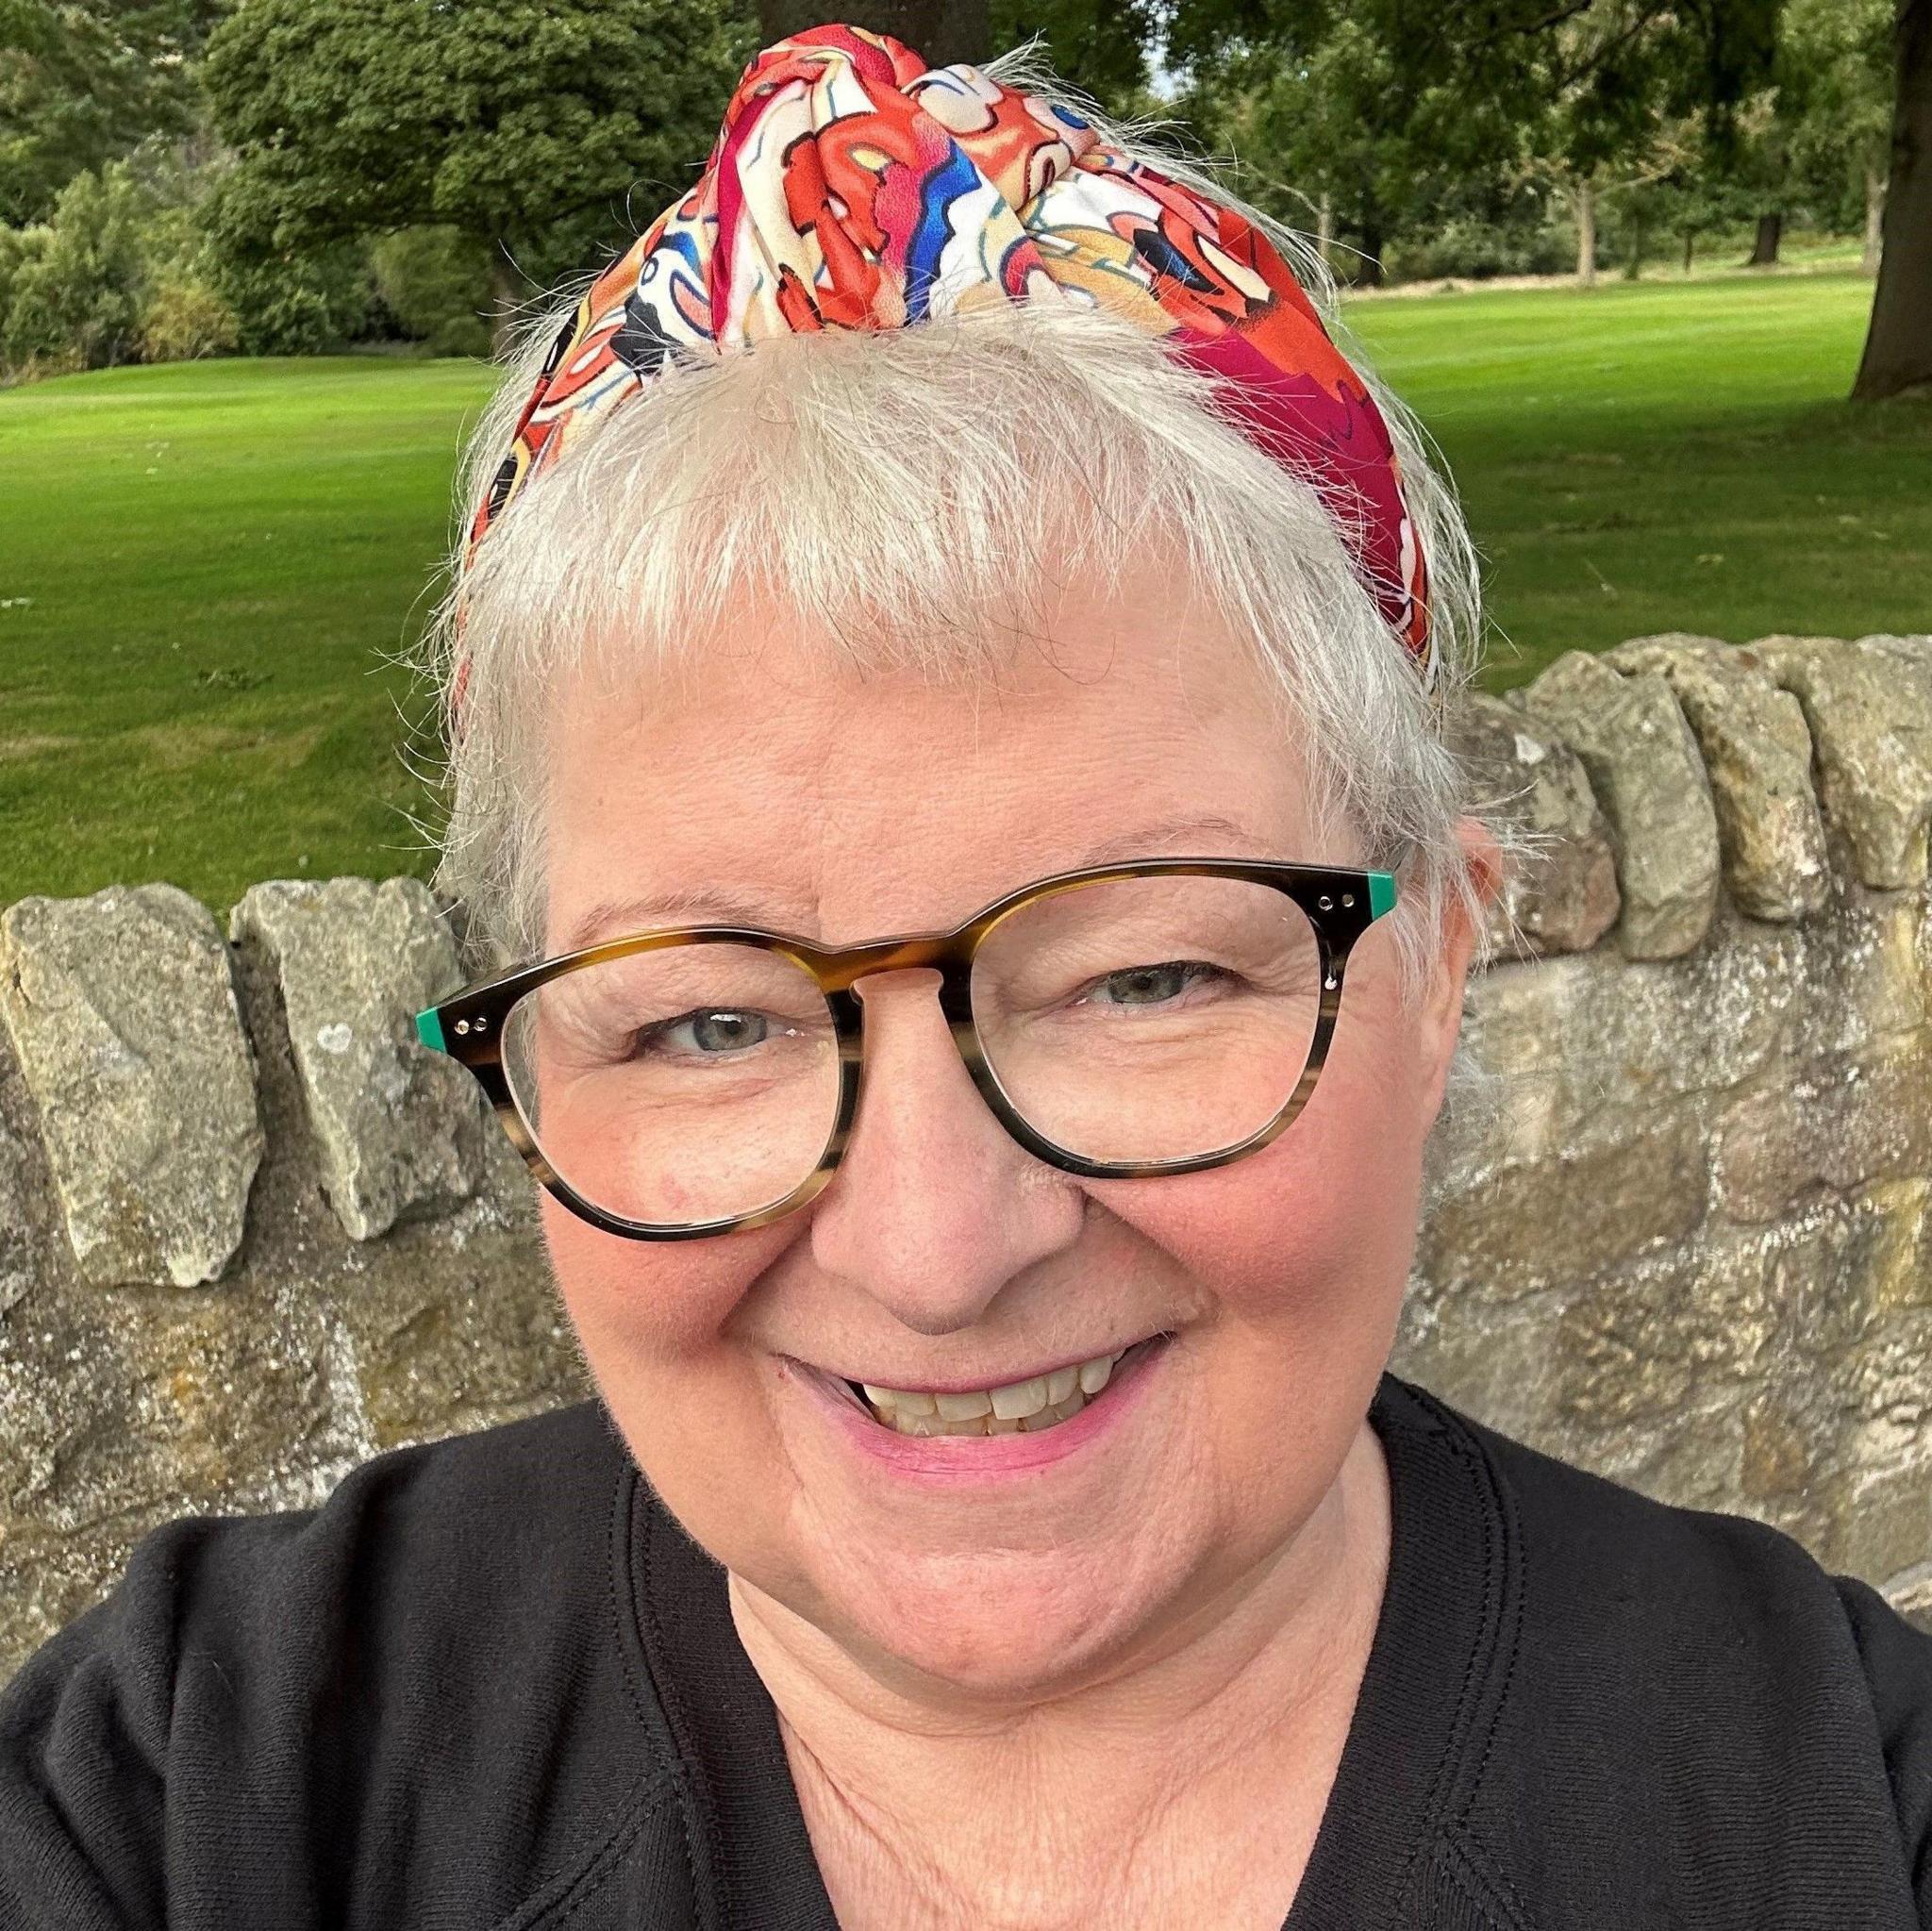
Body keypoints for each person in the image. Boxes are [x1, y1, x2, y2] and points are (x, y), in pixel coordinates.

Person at [3, 24, 1929, 1931]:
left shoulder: (1833, 1797)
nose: (937, 1249)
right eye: (707, 1019)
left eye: (1144, 979)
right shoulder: (207, 1779)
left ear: (1436, 968)